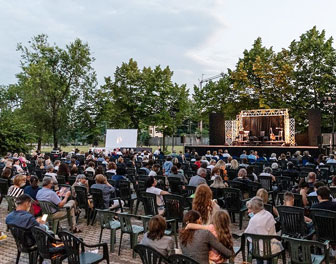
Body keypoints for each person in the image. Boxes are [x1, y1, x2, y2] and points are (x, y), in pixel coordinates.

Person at [245, 197, 282, 264]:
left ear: (255, 208)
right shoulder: (269, 215)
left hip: (258, 251)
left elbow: (248, 235)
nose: (248, 211)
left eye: (250, 208)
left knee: (255, 244)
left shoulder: (253, 219)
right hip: (272, 248)